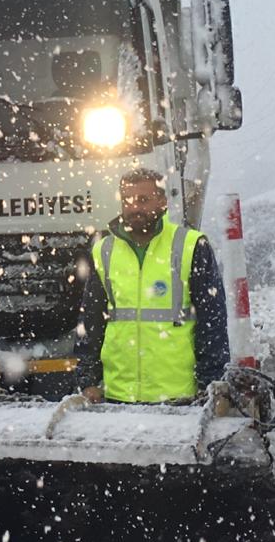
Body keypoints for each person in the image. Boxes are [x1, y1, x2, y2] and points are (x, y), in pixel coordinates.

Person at [75, 168, 229, 403]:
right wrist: (88, 380)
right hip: (118, 396)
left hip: (179, 398)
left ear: (163, 201)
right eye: (128, 201)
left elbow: (212, 322)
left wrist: (209, 384)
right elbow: (92, 322)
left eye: (143, 200)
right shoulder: (103, 250)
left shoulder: (190, 246)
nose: (135, 208)